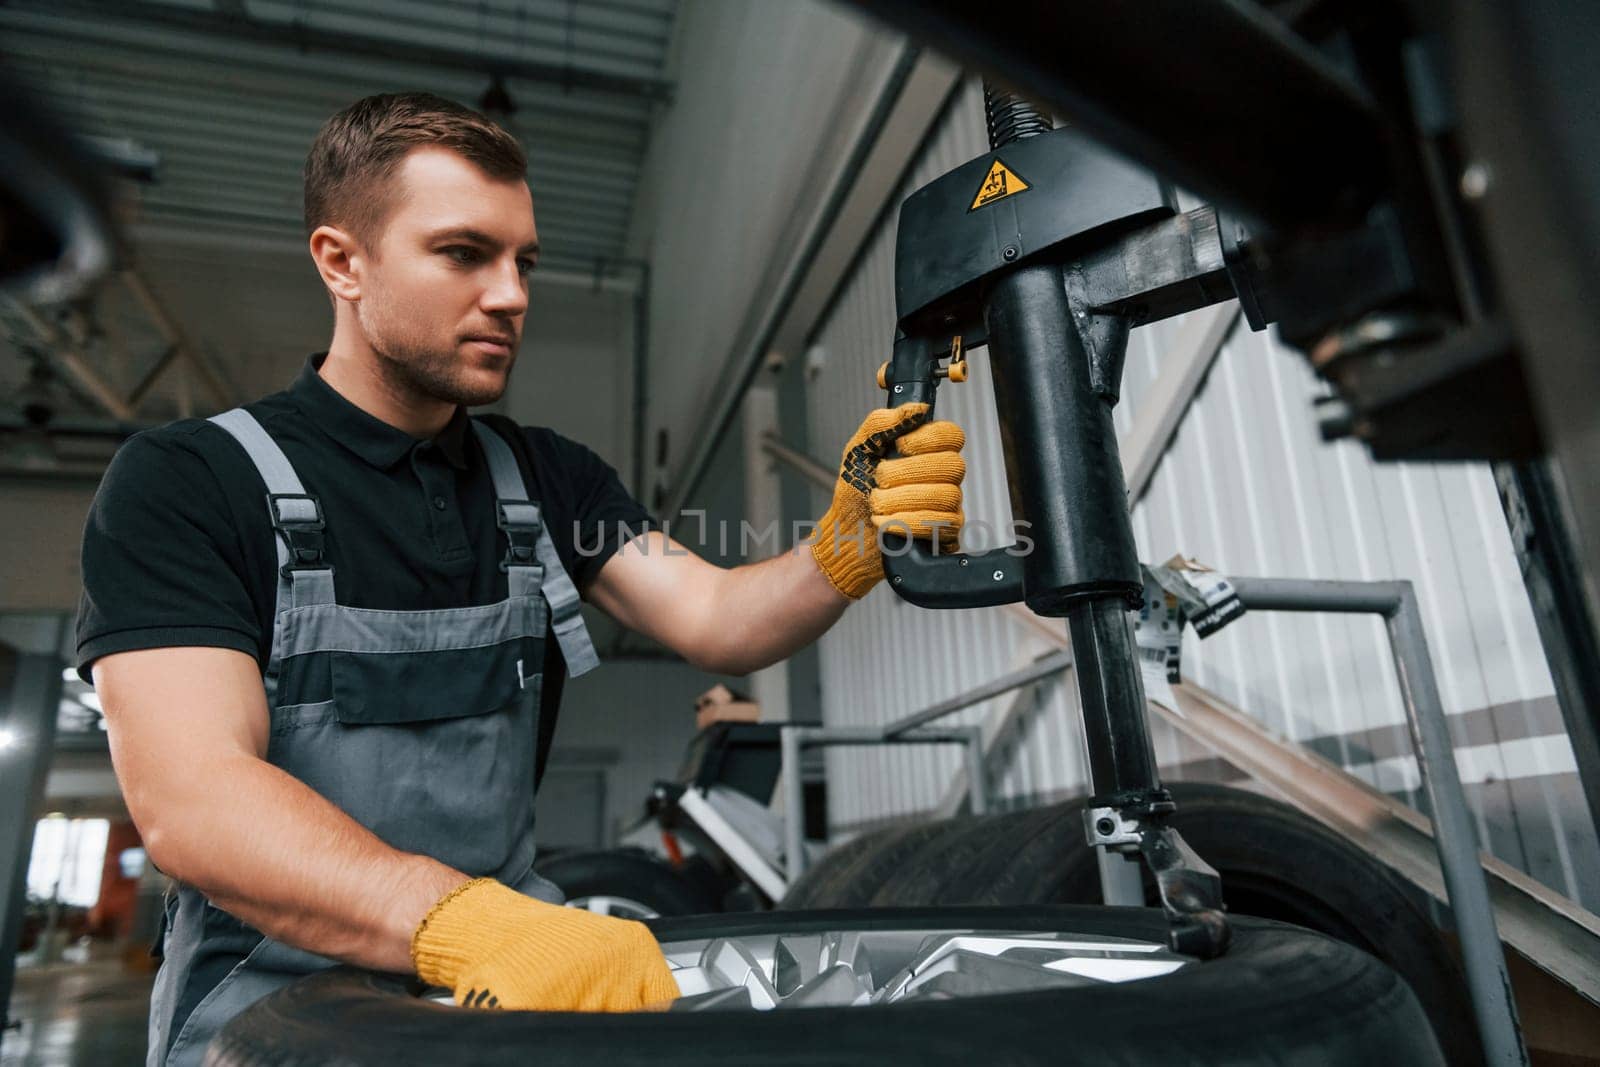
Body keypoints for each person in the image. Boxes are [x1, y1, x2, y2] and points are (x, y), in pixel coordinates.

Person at [76, 92, 965, 1066]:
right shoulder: (193, 479)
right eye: (464, 253)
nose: (511, 294)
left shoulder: (540, 476)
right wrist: (462, 921)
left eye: (523, 261)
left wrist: (841, 550)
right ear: (343, 261)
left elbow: (717, 617)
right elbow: (193, 796)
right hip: (269, 1018)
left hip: (500, 995)